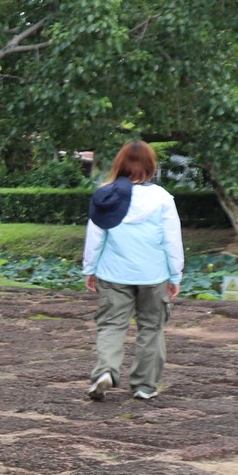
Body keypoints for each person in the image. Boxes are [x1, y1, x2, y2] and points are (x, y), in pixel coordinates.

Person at [83, 138, 183, 402]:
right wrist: (175, 275)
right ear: (151, 166)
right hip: (154, 275)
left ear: (119, 164)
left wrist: (89, 269)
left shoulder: (106, 194)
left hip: (113, 273)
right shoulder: (162, 198)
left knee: (111, 325)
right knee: (151, 327)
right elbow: (172, 240)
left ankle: (106, 371)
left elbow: (95, 237)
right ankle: (144, 385)